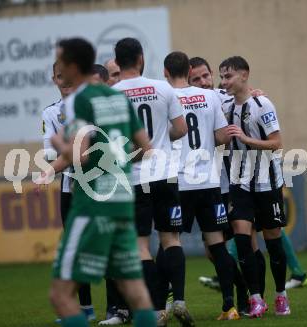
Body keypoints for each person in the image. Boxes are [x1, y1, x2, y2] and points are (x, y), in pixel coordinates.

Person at [47, 37, 156, 327]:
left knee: (60, 294)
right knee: (133, 288)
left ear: (71, 66)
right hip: (122, 197)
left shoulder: (78, 101)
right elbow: (145, 148)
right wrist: (115, 160)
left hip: (92, 202)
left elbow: (80, 157)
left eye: (61, 63)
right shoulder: (118, 97)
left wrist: (61, 144)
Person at [189, 56, 307, 293]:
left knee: (258, 235)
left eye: (207, 76)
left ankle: (255, 295)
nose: (204, 82)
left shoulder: (225, 97)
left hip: (239, 180)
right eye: (196, 78)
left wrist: (255, 96)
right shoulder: (187, 103)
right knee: (217, 250)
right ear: (187, 81)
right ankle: (251, 287)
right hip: (211, 183)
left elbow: (255, 111)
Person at [112, 38, 193, 327]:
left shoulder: (112, 95)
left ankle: (158, 309)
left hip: (136, 179)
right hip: (166, 174)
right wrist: (158, 142)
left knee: (141, 246)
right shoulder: (163, 88)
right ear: (141, 58)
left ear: (117, 62)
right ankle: (180, 301)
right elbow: (181, 129)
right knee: (171, 239)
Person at [164, 51, 241, 320]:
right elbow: (222, 137)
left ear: (166, 73)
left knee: (170, 243)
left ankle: (168, 304)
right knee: (217, 245)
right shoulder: (209, 97)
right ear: (188, 71)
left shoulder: (166, 97)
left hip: (179, 183)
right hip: (209, 182)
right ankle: (229, 306)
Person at [220, 55, 290, 317]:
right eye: (222, 76)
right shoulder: (224, 103)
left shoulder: (262, 104)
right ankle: (256, 298)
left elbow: (276, 143)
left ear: (245, 75)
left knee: (273, 240)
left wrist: (246, 138)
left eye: (228, 76)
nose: (224, 81)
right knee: (242, 237)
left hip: (267, 179)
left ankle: (281, 294)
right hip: (239, 180)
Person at [40, 61, 96, 324]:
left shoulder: (89, 105)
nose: (64, 81)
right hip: (70, 186)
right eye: (59, 77)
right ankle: (85, 307)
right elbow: (49, 152)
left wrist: (66, 150)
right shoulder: (51, 113)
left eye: (68, 76)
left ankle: (119, 307)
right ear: (54, 79)